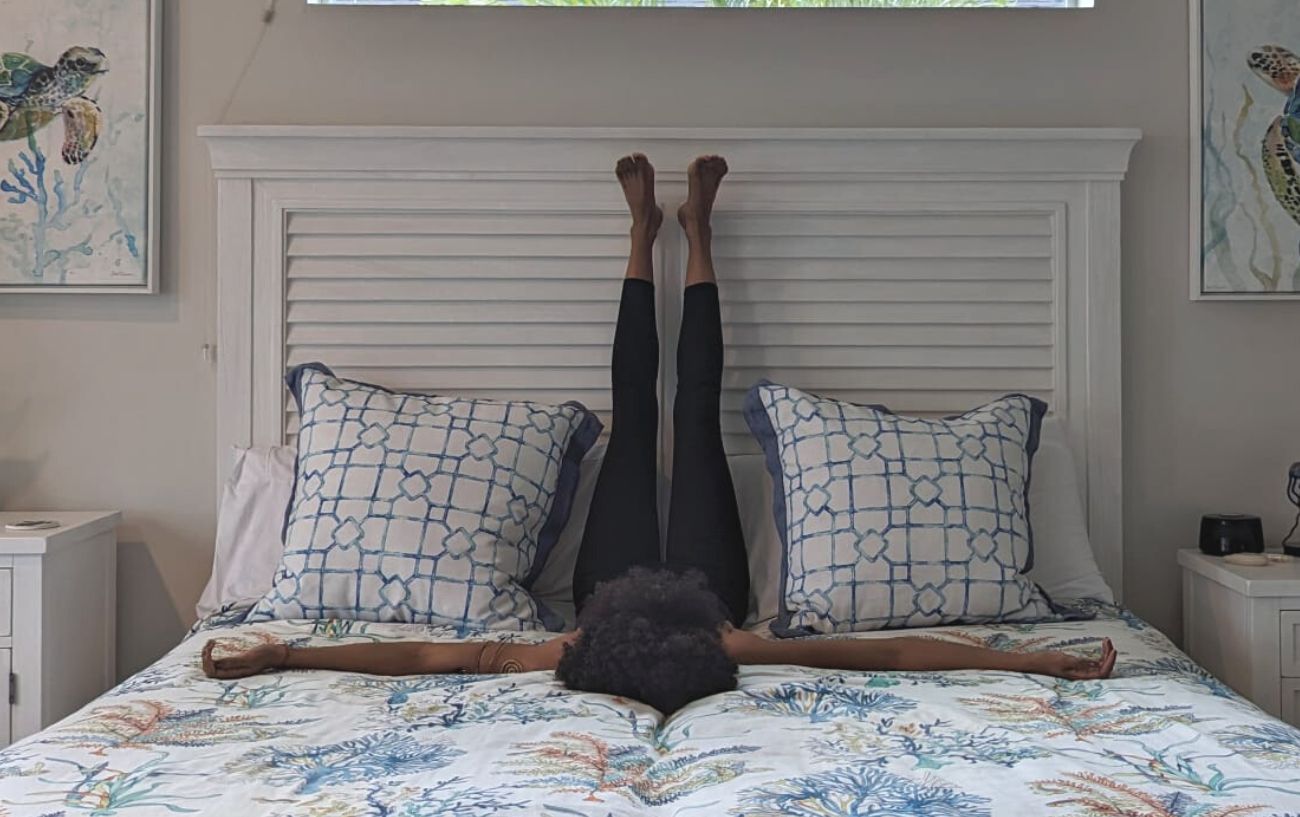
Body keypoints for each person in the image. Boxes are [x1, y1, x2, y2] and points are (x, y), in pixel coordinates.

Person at [202, 154, 1117, 714]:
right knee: (694, 419)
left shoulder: (568, 643)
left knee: (641, 418)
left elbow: (424, 657)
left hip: (610, 575)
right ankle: (696, 234)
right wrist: (1028, 655)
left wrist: (287, 651)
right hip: (712, 583)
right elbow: (881, 653)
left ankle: (647, 236)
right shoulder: (727, 639)